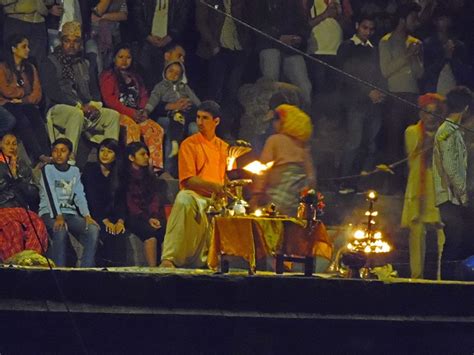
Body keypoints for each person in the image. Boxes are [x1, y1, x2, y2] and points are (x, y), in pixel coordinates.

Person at [160, 101, 229, 268]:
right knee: (183, 199)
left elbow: (224, 177)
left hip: (216, 198)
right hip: (195, 194)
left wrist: (228, 188)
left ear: (216, 121)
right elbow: (189, 179)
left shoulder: (224, 147)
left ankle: (210, 261)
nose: (199, 122)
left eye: (205, 118)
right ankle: (169, 258)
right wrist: (215, 187)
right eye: (198, 117)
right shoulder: (189, 144)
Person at [41, 21, 120, 159]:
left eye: (76, 41)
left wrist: (95, 105)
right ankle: (69, 160)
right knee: (76, 114)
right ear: (61, 41)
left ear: (80, 43)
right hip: (59, 108)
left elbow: (94, 89)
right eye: (67, 41)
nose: (71, 45)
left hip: (85, 107)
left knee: (113, 116)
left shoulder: (84, 63)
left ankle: (109, 160)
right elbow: (52, 91)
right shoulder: (50, 61)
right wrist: (79, 106)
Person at [337, 14, 385, 194]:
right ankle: (344, 181)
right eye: (365, 27)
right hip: (354, 102)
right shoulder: (348, 46)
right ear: (357, 26)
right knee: (354, 143)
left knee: (369, 144)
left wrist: (379, 92)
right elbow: (347, 74)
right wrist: (367, 91)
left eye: (371, 29)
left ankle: (358, 183)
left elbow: (378, 73)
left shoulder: (373, 49)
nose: (368, 32)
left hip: (372, 103)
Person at [379, 2, 423, 193]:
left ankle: (409, 184)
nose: (416, 22)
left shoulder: (416, 42)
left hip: (412, 96)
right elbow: (386, 70)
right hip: (395, 96)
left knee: (411, 142)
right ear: (403, 19)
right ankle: (391, 184)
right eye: (413, 18)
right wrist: (406, 56)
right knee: (393, 141)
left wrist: (414, 57)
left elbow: (420, 73)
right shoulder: (386, 41)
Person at [100, 43, 165, 173]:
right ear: (114, 58)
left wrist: (144, 111)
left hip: (136, 114)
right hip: (118, 114)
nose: (124, 61)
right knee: (132, 128)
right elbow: (109, 100)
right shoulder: (108, 75)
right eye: (120, 57)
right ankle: (132, 166)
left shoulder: (135, 77)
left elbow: (144, 95)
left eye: (128, 57)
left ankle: (155, 168)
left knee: (156, 129)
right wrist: (131, 113)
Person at [401, 93, 445, 279]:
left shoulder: (446, 133)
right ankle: (416, 277)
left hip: (439, 191)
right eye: (427, 112)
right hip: (418, 190)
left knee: (443, 235)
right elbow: (417, 152)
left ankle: (442, 276)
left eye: (435, 113)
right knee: (417, 234)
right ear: (421, 114)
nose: (431, 117)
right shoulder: (411, 132)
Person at [39, 138, 99, 267]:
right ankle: (59, 269)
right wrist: (58, 216)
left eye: (63, 151)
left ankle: (86, 269)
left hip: (70, 213)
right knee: (60, 229)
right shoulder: (47, 169)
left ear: (69, 154)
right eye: (55, 151)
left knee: (93, 229)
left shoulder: (74, 171)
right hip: (49, 212)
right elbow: (50, 194)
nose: (58, 154)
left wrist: (87, 215)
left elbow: (79, 195)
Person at [432, 86, 473, 278]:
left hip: (457, 197)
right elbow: (452, 169)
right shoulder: (448, 131)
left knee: (464, 241)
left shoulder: (454, 129)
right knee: (455, 242)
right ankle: (448, 283)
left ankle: (461, 282)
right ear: (466, 108)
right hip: (452, 199)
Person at [251, 104, 316, 217]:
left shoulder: (274, 140)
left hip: (278, 197)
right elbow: (311, 177)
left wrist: (256, 194)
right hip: (298, 200)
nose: (273, 124)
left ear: (283, 122)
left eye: (275, 120)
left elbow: (263, 170)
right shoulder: (303, 145)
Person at [0, 34, 51, 166]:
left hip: (23, 103)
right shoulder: (3, 68)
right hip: (6, 104)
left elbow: (37, 94)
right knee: (21, 119)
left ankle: (47, 154)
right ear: (13, 49)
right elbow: (5, 90)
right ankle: (38, 154)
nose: (28, 49)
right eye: (24, 46)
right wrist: (22, 92)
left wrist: (23, 100)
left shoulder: (30, 68)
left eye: (28, 46)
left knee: (36, 116)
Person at [250, 0, 312, 107]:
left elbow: (302, 24)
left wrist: (299, 38)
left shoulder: (293, 3)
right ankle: (270, 116)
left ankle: (302, 117)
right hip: (269, 45)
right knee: (271, 82)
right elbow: (256, 23)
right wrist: (278, 37)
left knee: (304, 85)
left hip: (290, 49)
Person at [144, 60, 201, 176]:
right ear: (165, 71)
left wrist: (189, 103)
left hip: (185, 116)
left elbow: (197, 103)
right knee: (172, 124)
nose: (173, 75)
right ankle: (168, 171)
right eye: (171, 71)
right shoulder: (160, 87)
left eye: (177, 73)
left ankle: (194, 170)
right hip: (167, 116)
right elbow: (153, 101)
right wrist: (146, 111)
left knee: (195, 129)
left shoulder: (184, 87)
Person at [0, 133, 48, 262]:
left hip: (20, 210)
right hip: (3, 210)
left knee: (38, 224)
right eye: (7, 143)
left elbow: (33, 194)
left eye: (14, 143)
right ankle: (13, 264)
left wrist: (17, 177)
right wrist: (9, 175)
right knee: (14, 227)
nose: (11, 147)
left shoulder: (22, 165)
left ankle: (30, 261)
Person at [129, 0, 191, 90]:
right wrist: (147, 36)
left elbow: (182, 19)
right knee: (146, 77)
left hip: (171, 43)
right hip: (147, 41)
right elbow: (137, 16)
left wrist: (170, 37)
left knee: (171, 78)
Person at [122, 142, 166, 267]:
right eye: (142, 154)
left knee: (165, 229)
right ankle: (153, 271)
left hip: (149, 215)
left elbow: (154, 198)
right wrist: (147, 218)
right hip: (134, 216)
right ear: (131, 157)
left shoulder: (149, 176)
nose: (146, 157)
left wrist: (154, 216)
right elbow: (130, 203)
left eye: (147, 154)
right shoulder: (125, 177)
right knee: (150, 234)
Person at [422, 7, 472, 95]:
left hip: (454, 89)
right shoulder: (428, 44)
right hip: (434, 88)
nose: (445, 23)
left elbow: (465, 72)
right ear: (435, 21)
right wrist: (444, 57)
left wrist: (452, 58)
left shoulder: (458, 45)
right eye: (442, 19)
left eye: (447, 19)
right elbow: (427, 71)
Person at [0, 0, 52, 65]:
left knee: (37, 61)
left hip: (39, 21)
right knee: (12, 60)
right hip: (16, 19)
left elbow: (50, 2)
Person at [88, 0, 128, 72]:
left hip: (114, 34)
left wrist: (104, 17)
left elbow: (124, 15)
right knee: (98, 64)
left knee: (113, 65)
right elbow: (97, 12)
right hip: (96, 35)